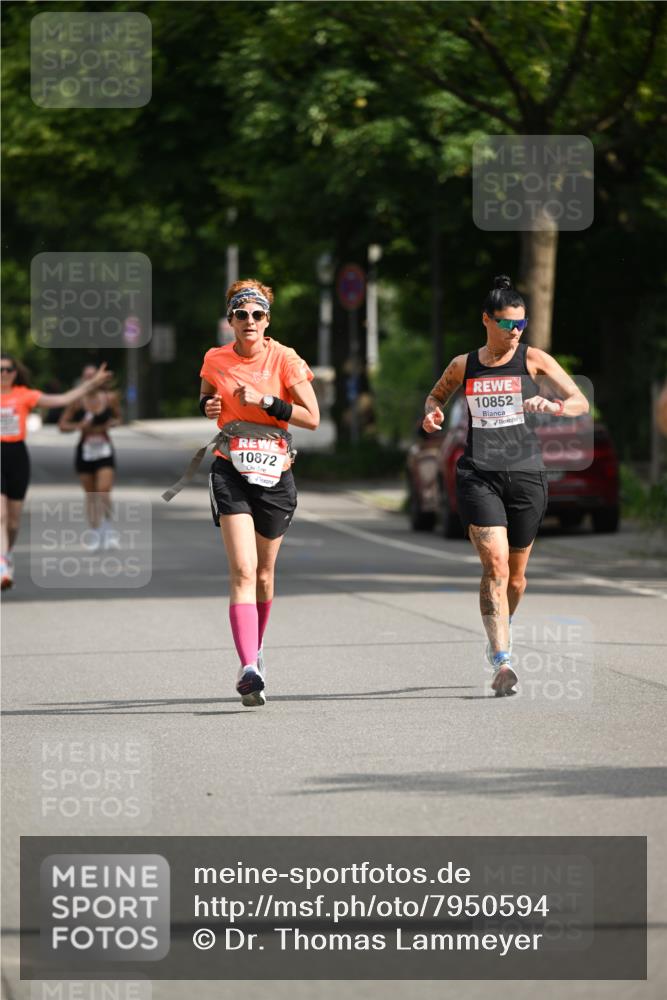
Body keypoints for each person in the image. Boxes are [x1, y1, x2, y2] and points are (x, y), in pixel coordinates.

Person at [422, 275, 589, 696]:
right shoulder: (465, 365)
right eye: (506, 324)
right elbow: (435, 396)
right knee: (494, 566)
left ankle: (501, 628)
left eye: (521, 324)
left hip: (527, 474)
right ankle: (502, 659)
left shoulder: (534, 360)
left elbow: (580, 401)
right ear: (486, 321)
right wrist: (432, 415)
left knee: (515, 579)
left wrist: (550, 403)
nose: (515, 332)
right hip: (479, 473)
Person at [199, 279, 319, 707]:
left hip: (275, 475)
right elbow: (207, 397)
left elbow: (312, 417)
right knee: (243, 572)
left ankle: (257, 648)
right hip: (230, 469)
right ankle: (249, 667)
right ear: (230, 320)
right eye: (241, 314)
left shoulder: (285, 359)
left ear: (267, 320)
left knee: (265, 575)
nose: (249, 321)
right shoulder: (215, 359)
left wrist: (269, 402)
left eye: (257, 315)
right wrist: (209, 407)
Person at [1, 356, 111, 590]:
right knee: (0, 515)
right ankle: (2, 565)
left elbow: (63, 399)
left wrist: (91, 384)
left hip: (17, 456)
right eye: (0, 370)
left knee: (13, 520)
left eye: (8, 369)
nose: (4, 373)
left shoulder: (25, 395)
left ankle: (7, 554)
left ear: (14, 372)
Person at [58, 365, 122, 547]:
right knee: (91, 494)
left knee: (103, 490)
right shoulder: (77, 401)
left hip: (104, 449)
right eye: (87, 377)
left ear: (101, 379)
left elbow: (119, 418)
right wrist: (79, 426)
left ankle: (108, 530)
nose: (91, 380)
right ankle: (94, 533)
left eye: (94, 376)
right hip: (85, 450)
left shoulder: (110, 399)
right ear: (83, 380)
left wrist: (111, 423)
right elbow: (62, 425)